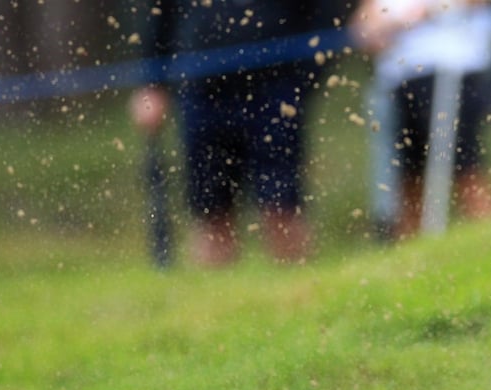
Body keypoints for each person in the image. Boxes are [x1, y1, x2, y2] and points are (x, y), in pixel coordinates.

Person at [130, 0, 340, 267]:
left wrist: (302, 81)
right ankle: (215, 301)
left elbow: (324, 16)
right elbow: (160, 15)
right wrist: (152, 85)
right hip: (202, 92)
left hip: (275, 91)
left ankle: (299, 294)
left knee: (281, 204)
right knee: (210, 211)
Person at [350, 0, 491, 242]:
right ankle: (412, 250)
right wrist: (388, 27)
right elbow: (363, 29)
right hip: (401, 78)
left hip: (451, 72)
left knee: (463, 162)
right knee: (411, 171)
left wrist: (430, 10)